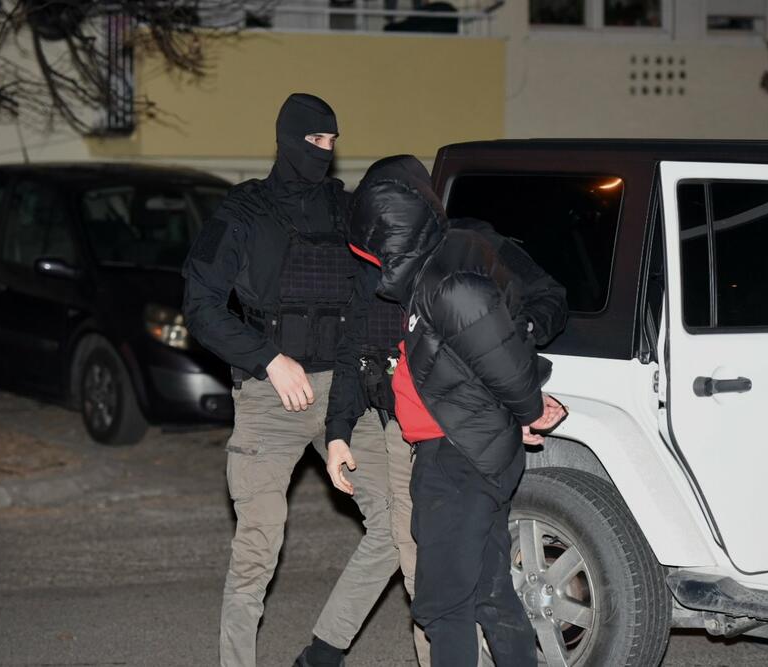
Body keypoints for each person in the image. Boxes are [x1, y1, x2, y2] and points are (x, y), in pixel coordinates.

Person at [181, 93, 400, 667]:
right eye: (315, 141)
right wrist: (268, 359)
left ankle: (323, 651)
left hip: (344, 394)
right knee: (257, 550)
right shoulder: (245, 210)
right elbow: (201, 306)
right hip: (269, 396)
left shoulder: (346, 211)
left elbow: (373, 300)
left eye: (332, 141)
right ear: (288, 140)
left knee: (398, 525)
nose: (324, 151)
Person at [339, 155, 568, 667]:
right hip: (466, 447)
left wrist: (527, 409)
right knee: (490, 592)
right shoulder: (434, 273)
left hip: (458, 457)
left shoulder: (446, 282)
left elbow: (500, 354)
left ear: (387, 235)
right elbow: (470, 363)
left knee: (443, 607)